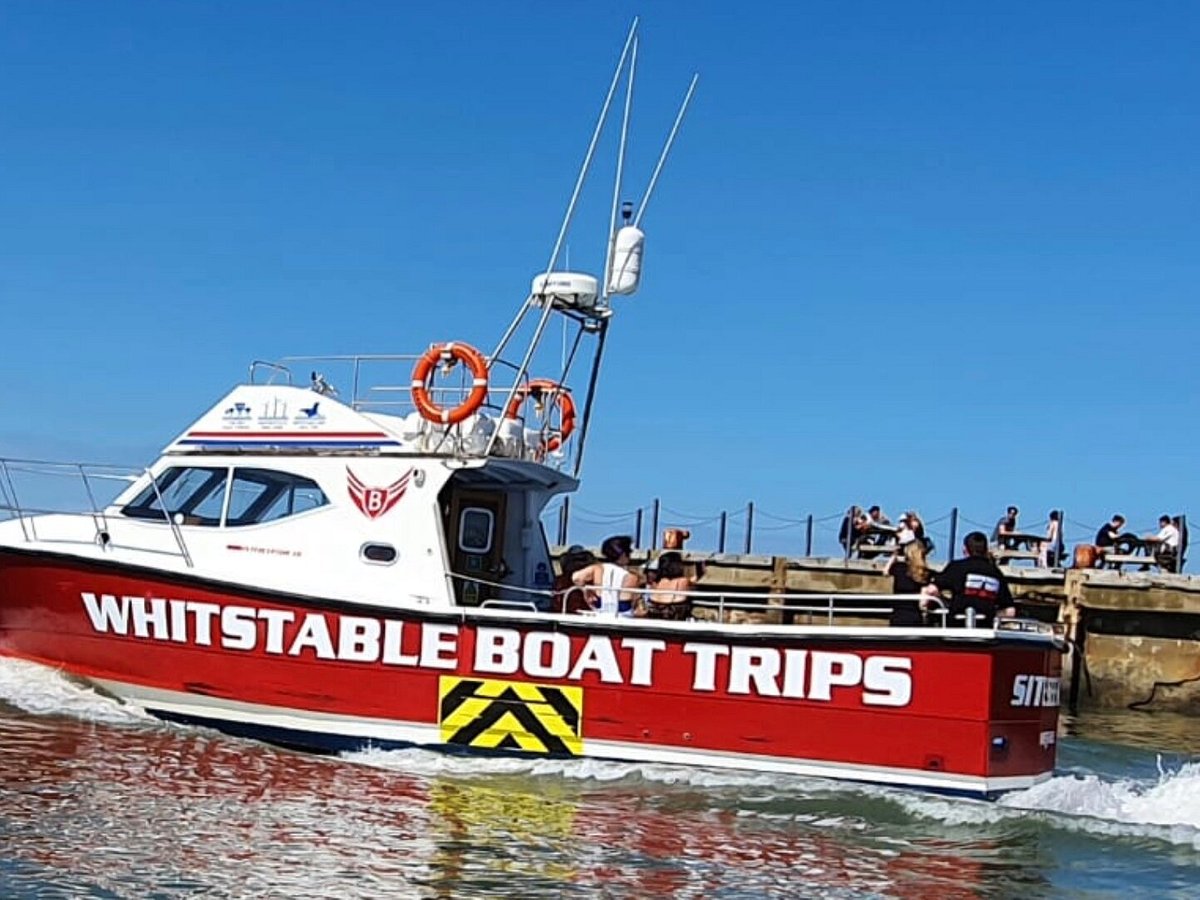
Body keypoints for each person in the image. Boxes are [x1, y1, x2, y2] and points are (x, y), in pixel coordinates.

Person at [922, 531, 1015, 627]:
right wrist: (991, 615)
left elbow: (931, 591)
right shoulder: (996, 573)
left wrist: (946, 604)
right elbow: (1010, 611)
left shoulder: (956, 568)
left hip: (956, 627)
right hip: (985, 630)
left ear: (965, 550)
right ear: (986, 550)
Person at [571, 534, 641, 616]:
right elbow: (635, 604)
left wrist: (587, 590)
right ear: (623, 554)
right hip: (623, 615)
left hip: (600, 612)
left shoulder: (597, 569)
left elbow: (576, 577)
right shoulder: (631, 577)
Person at [642, 551, 703, 620]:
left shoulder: (656, 582)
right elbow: (697, 577)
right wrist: (700, 564)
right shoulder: (683, 581)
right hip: (673, 616)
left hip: (653, 613)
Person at [883, 535, 929, 626]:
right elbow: (923, 602)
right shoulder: (924, 573)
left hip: (898, 615)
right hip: (914, 616)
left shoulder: (899, 568)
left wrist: (894, 556)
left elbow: (885, 572)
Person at [553, 545, 596, 614]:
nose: (578, 563)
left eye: (582, 559)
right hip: (565, 616)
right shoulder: (560, 580)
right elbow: (556, 602)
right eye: (575, 560)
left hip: (588, 616)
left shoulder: (593, 580)